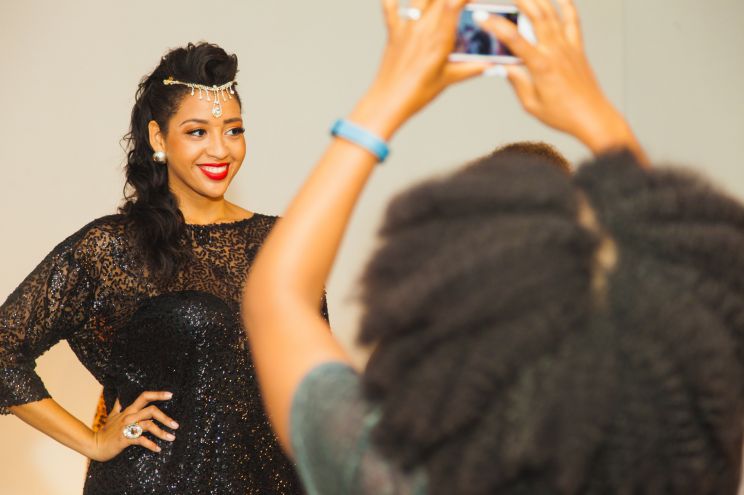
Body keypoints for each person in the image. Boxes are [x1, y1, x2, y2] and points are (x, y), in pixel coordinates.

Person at [242, 0, 744, 494]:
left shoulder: (389, 472)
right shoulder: (684, 447)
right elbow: (696, 314)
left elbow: (277, 297)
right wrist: (598, 118)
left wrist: (388, 96)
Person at [0, 42, 315, 493]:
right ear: (158, 138)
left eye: (233, 130)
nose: (220, 149)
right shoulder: (116, 246)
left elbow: (313, 385)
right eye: (197, 132)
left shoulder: (283, 241)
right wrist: (93, 441)